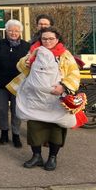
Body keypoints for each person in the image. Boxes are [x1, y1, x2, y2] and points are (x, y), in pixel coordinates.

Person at [16, 27, 80, 171]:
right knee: (34, 128)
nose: (47, 41)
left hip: (55, 99)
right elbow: (20, 66)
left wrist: (63, 87)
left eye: (51, 39)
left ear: (57, 39)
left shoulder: (65, 55)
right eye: (44, 39)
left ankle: (52, 157)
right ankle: (36, 156)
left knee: (55, 129)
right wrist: (27, 61)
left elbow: (74, 74)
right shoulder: (34, 51)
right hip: (35, 99)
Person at [0, 19, 29, 148]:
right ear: (6, 31)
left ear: (20, 32)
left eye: (16, 30)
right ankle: (4, 132)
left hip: (19, 85)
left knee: (16, 110)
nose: (13, 33)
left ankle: (16, 134)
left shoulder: (27, 47)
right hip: (1, 84)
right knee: (2, 109)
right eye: (10, 30)